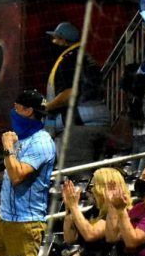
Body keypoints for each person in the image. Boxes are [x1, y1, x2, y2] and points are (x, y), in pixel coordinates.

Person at [0, 90, 56, 256]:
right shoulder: (21, 138)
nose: (13, 112)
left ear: (28, 111)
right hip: (2, 218)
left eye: (16, 108)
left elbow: (17, 176)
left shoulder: (41, 142)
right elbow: (10, 175)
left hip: (25, 223)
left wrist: (8, 147)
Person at [44, 21, 109, 166]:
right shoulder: (87, 58)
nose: (53, 42)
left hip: (80, 123)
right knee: (95, 173)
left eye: (55, 38)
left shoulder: (69, 60)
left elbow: (70, 94)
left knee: (75, 174)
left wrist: (47, 107)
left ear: (63, 40)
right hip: (102, 120)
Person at [61, 168, 127, 256]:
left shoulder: (119, 210)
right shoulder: (94, 211)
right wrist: (69, 209)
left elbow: (90, 234)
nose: (90, 190)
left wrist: (74, 206)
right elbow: (69, 238)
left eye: (93, 186)